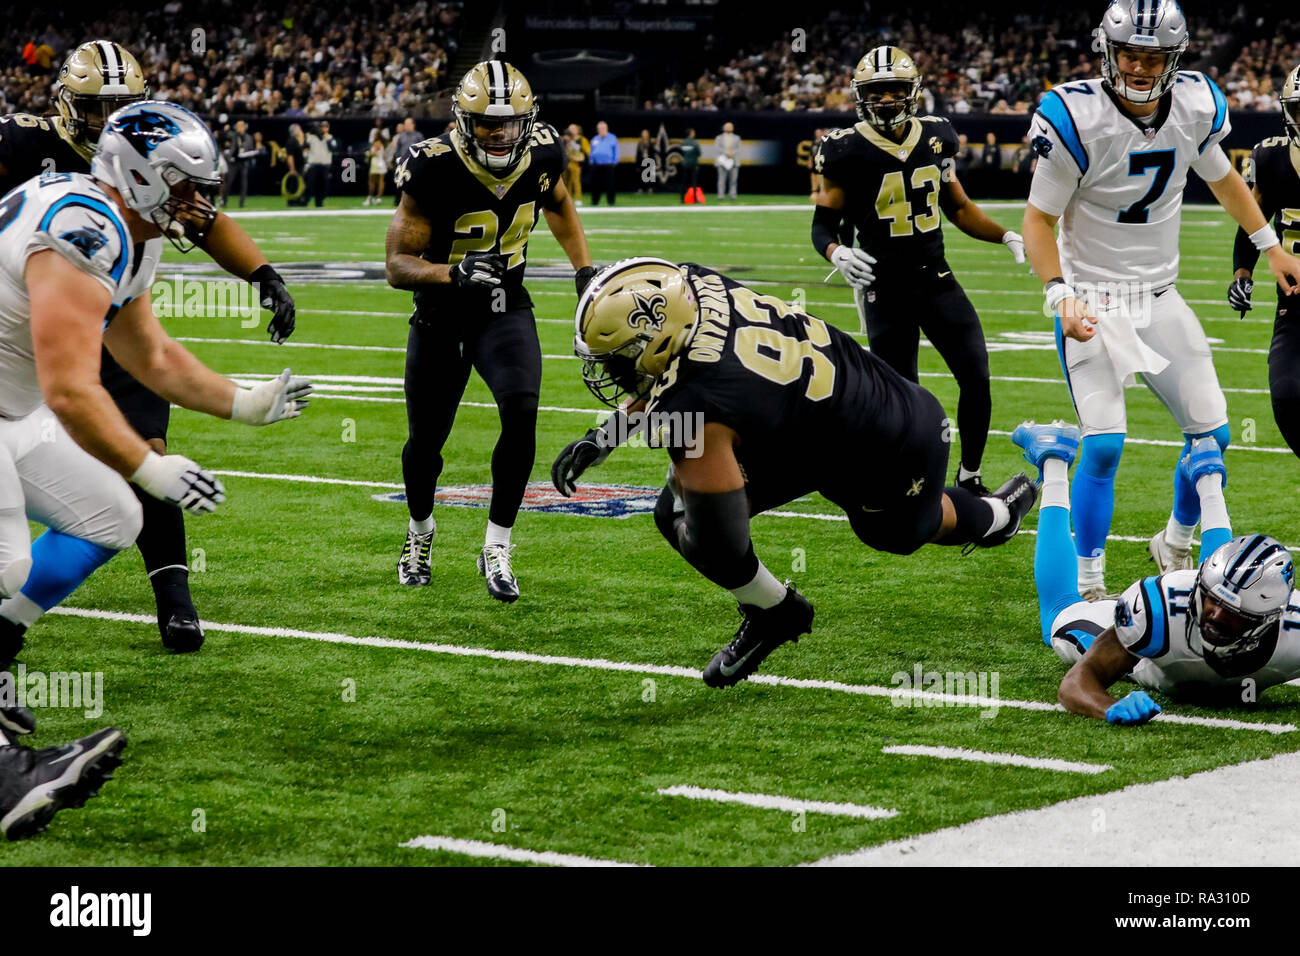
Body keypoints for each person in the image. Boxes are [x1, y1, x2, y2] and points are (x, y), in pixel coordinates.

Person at [553, 258, 1037, 686]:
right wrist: (608, 434)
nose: (614, 374)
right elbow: (688, 372)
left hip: (893, 444)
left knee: (898, 530)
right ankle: (770, 612)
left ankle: (996, 514)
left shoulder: (696, 407)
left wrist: (769, 595)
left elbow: (724, 536)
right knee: (673, 508)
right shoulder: (694, 285)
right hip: (822, 418)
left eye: (618, 361)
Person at [0, 100, 312, 732]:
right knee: (10, 569)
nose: (200, 203)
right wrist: (149, 467)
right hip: (16, 408)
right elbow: (70, 390)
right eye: (186, 187)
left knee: (111, 516)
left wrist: (242, 404)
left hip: (12, 410)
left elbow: (151, 354)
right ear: (140, 176)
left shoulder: (129, 230)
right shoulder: (84, 227)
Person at [1021, 0, 1300, 600]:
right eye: (1130, 54)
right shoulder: (1076, 116)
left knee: (1214, 436)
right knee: (1103, 444)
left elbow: (1224, 178)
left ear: (1175, 58)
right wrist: (1058, 295)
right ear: (1108, 52)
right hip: (1094, 297)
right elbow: (1038, 221)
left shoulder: (1195, 106)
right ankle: (1091, 579)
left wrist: (1270, 247)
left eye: (1154, 56)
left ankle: (1174, 540)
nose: (1142, 67)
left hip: (1161, 296)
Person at [385, 61, 594, 602]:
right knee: (426, 445)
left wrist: (583, 270)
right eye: (486, 122)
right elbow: (396, 265)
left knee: (522, 408)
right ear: (462, 119)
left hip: (504, 306)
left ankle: (497, 545)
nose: (499, 132)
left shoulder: (546, 152)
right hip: (440, 312)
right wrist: (449, 273)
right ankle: (419, 533)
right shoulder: (431, 165)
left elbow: (561, 206)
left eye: (509, 121)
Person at [813, 45, 1026, 496]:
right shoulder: (842, 148)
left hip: (935, 276)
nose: (887, 99)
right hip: (882, 286)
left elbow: (959, 208)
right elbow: (821, 225)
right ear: (860, 95)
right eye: (877, 90)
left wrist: (1005, 234)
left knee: (976, 374)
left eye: (894, 89)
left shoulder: (939, 136)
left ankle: (969, 475)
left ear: (913, 92)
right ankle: (907, 483)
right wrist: (837, 252)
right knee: (901, 393)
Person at [1011, 421, 1300, 724]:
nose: (1213, 613)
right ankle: (1053, 460)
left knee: (1226, 590)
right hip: (1150, 656)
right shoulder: (1159, 611)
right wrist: (1108, 706)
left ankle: (1208, 474)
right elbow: (1076, 683)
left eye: (1230, 612)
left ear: (1268, 620)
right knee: (1058, 614)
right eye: (1211, 599)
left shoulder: (1291, 632)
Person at [1229, 64, 1300, 462]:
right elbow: (1252, 224)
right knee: (1287, 395)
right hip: (1294, 306)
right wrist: (1243, 274)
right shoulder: (1271, 157)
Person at [390, 117, 423, 206]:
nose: (406, 126)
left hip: (414, 163)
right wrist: (397, 160)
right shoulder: (401, 136)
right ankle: (398, 201)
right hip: (403, 163)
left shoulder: (418, 136)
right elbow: (398, 150)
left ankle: (415, 201)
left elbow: (422, 149)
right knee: (399, 181)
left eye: (408, 124)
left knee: (414, 183)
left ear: (413, 125)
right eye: (405, 124)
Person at [303, 121, 337, 208]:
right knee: (310, 185)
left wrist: (328, 139)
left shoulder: (330, 138)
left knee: (323, 185)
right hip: (313, 165)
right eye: (322, 127)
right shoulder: (311, 137)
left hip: (325, 166)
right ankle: (305, 201)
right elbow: (305, 145)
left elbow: (333, 149)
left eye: (326, 127)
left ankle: (319, 202)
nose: (323, 129)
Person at [226, 119, 256, 208]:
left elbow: (250, 148)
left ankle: (242, 203)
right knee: (229, 182)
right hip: (233, 162)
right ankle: (224, 201)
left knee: (244, 183)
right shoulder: (234, 135)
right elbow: (227, 135)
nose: (240, 127)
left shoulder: (248, 137)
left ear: (244, 127)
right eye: (238, 125)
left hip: (243, 162)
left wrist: (250, 154)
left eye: (241, 125)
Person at [588, 120, 618, 206]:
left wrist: (614, 162)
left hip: (609, 165)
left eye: (603, 128)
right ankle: (595, 201)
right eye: (599, 128)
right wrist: (591, 161)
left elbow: (616, 151)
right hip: (596, 165)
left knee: (610, 184)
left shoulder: (613, 138)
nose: (601, 130)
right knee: (595, 185)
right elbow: (592, 151)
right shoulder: (595, 139)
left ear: (606, 128)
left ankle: (611, 201)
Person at [563, 123, 588, 205]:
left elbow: (586, 151)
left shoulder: (581, 139)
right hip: (567, 162)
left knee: (576, 181)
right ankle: (567, 198)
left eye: (573, 129)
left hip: (576, 162)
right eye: (570, 128)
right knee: (566, 181)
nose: (571, 130)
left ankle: (578, 199)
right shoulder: (565, 138)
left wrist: (572, 142)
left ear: (578, 130)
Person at [714, 121, 740, 200]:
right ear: (724, 128)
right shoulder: (719, 138)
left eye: (730, 126)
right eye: (727, 126)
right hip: (722, 161)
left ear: (732, 128)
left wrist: (732, 154)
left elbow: (738, 148)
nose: (728, 128)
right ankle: (720, 195)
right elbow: (717, 147)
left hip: (733, 161)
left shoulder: (737, 138)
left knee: (733, 180)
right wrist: (726, 153)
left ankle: (733, 195)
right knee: (721, 180)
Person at [284, 123, 307, 206]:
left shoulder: (300, 140)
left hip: (301, 165)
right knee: (294, 184)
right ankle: (292, 201)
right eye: (300, 129)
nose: (301, 131)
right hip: (295, 166)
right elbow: (290, 157)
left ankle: (299, 200)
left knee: (300, 184)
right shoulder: (291, 141)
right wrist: (292, 168)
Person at [678, 127, 701, 202]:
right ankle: (694, 199)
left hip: (685, 164)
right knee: (693, 182)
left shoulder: (683, 142)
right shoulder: (694, 142)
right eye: (693, 132)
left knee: (684, 181)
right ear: (691, 133)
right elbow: (698, 153)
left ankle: (682, 198)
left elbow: (681, 152)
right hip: (693, 164)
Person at [366, 136, 388, 205]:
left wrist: (368, 153)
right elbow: (384, 156)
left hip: (376, 165)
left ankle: (371, 198)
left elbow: (372, 153)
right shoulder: (382, 145)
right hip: (381, 164)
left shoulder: (377, 143)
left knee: (372, 182)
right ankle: (377, 198)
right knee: (379, 182)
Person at [635, 129, 655, 193]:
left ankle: (649, 188)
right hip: (641, 161)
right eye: (643, 133)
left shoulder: (651, 143)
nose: (645, 134)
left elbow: (653, 153)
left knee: (650, 175)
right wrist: (637, 164)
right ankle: (640, 188)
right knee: (641, 175)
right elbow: (637, 154)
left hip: (649, 161)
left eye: (646, 133)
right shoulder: (640, 144)